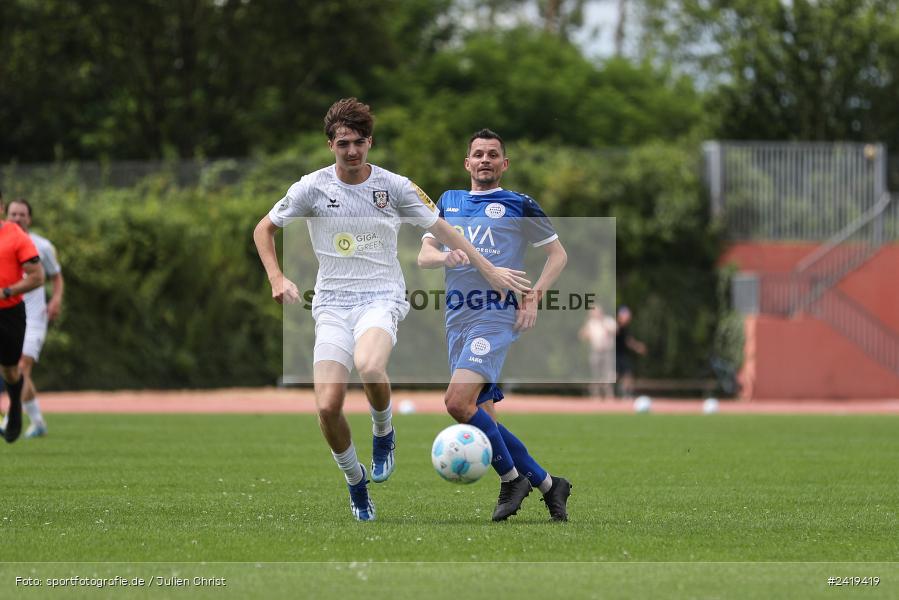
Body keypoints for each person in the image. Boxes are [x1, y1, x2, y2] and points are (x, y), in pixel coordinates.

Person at [253, 99, 530, 521]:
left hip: (381, 297)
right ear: (330, 144)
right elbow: (264, 229)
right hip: (331, 303)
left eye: (360, 142)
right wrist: (276, 276)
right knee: (327, 406)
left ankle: (384, 433)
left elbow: (444, 229)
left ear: (370, 142)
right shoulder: (310, 187)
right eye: (343, 143)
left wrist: (487, 268)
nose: (352, 151)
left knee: (368, 365)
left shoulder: (395, 187)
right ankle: (356, 482)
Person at [418, 128, 572, 522]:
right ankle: (551, 485)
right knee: (481, 415)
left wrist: (533, 296)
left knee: (456, 402)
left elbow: (557, 255)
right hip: (456, 317)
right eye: (478, 154)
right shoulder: (449, 201)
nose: (485, 160)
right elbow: (424, 255)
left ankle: (511, 479)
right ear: (466, 162)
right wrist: (445, 258)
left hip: (496, 314)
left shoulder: (519, 204)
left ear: (504, 164)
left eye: (493, 155)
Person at [6, 199, 64, 438]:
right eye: (13, 214)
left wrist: (56, 299)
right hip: (9, 315)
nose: (17, 218)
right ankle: (38, 421)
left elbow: (55, 277)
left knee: (22, 366)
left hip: (34, 318)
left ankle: (11, 419)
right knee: (13, 371)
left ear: (29, 218)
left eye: (22, 214)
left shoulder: (42, 246)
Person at [0, 190, 46, 443]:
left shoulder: (15, 236)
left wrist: (6, 291)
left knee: (10, 370)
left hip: (9, 313)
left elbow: (38, 277)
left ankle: (15, 405)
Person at [579, 305, 617, 399]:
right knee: (595, 374)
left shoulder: (608, 320)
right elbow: (582, 336)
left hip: (607, 351)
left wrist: (601, 322)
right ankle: (595, 395)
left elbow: (614, 331)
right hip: (595, 351)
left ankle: (609, 395)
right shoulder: (591, 323)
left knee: (608, 374)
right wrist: (586, 324)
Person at [615, 305, 646, 399]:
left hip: (623, 355)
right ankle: (611, 396)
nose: (628, 318)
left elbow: (628, 341)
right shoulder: (616, 326)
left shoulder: (625, 328)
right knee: (615, 375)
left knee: (628, 374)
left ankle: (626, 394)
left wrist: (637, 347)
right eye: (626, 316)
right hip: (614, 355)